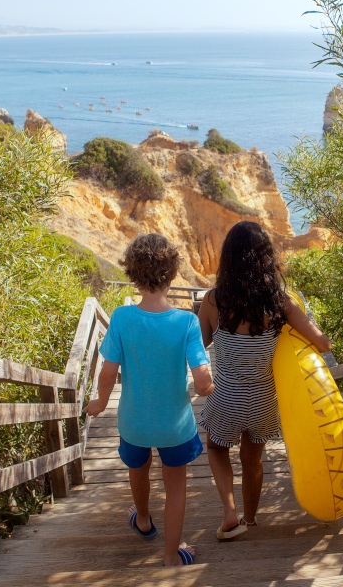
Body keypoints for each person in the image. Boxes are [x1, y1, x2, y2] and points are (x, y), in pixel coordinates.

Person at [84, 233, 215, 566]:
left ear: (132, 273)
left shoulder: (123, 318)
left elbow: (107, 373)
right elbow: (202, 378)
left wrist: (100, 402)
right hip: (175, 427)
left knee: (137, 469)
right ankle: (171, 556)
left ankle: (142, 519)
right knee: (176, 486)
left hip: (134, 423)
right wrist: (206, 386)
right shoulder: (187, 321)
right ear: (172, 275)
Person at [198, 221, 331, 540]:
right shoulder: (279, 302)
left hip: (226, 398)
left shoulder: (213, 301)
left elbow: (198, 346)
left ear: (228, 257)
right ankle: (252, 519)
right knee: (252, 460)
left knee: (216, 448)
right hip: (263, 403)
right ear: (264, 258)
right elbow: (323, 344)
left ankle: (230, 514)